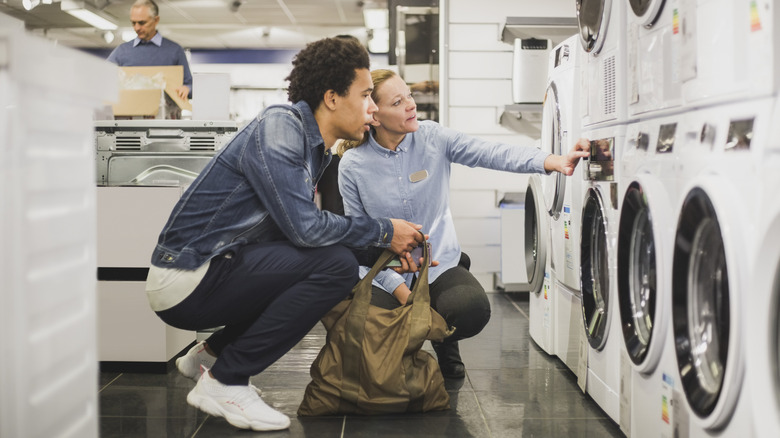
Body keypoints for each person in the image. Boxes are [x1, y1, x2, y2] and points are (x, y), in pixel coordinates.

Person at [144, 39, 424, 431]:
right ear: (331, 97)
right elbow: (306, 230)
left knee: (326, 263)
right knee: (335, 268)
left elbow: (300, 235)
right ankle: (226, 379)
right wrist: (383, 231)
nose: (373, 107)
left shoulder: (314, 149)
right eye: (365, 95)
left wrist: (386, 250)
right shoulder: (281, 127)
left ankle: (208, 357)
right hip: (188, 276)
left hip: (212, 270)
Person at [337, 69, 589, 379]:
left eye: (410, 95)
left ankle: (446, 342)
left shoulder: (432, 138)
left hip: (438, 264)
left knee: (470, 310)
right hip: (386, 270)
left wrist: (553, 161)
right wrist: (402, 291)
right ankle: (404, 348)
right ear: (374, 116)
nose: (411, 105)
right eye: (398, 101)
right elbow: (359, 239)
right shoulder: (353, 165)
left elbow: (491, 153)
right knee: (364, 325)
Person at [107, 0, 192, 100]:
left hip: (165, 113)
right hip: (129, 112)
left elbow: (190, 85)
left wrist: (187, 89)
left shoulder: (175, 51)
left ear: (156, 20)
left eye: (142, 23)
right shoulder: (121, 51)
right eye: (133, 23)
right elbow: (103, 78)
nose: (137, 28)